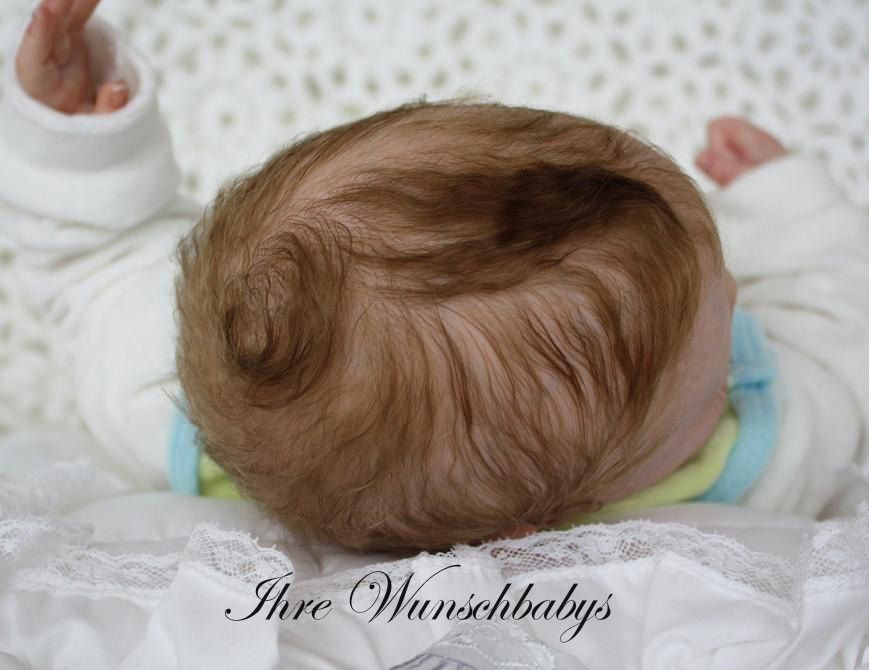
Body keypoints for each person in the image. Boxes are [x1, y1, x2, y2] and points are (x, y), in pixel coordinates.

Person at [3, 0, 867, 552]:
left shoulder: (145, 391)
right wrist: (796, 212)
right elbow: (837, 339)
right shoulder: (746, 478)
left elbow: (90, 254)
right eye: (713, 373)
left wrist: (83, 141)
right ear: (535, 531)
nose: (741, 295)